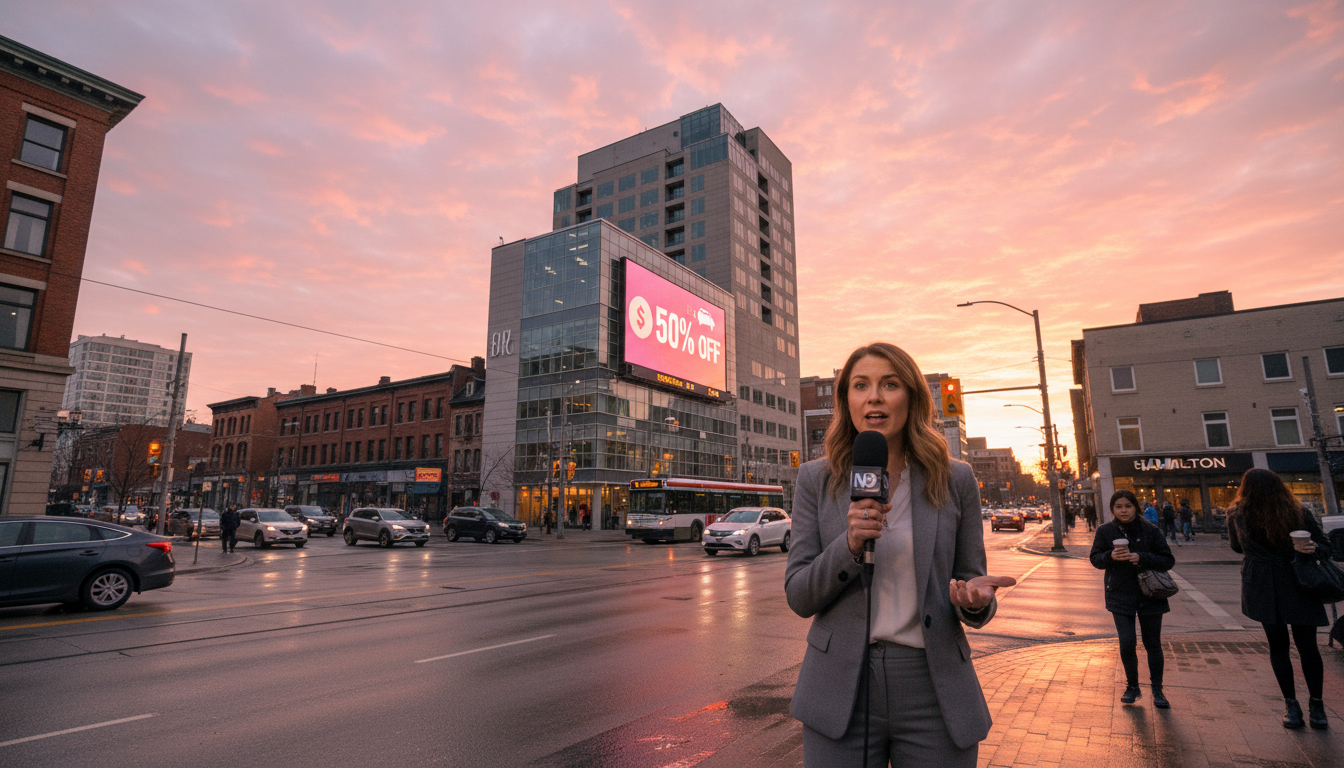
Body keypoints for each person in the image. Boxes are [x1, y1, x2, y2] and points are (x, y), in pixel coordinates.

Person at [785, 343, 1016, 766]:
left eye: (889, 384)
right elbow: (799, 594)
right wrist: (849, 545)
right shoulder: (815, 479)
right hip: (840, 689)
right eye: (860, 385)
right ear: (847, 401)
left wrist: (977, 603)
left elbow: (971, 581)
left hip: (934, 686)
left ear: (910, 397)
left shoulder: (956, 478)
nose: (874, 396)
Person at [1227, 468, 1332, 730]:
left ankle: (1291, 706)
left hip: (1261, 583)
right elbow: (1326, 546)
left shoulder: (1236, 514)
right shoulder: (1297, 511)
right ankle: (1317, 706)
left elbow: (1236, 547)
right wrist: (1312, 548)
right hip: (1299, 580)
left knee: (1278, 647)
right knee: (1308, 646)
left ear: (1245, 488)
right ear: (1279, 486)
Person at [1089, 489, 1175, 708]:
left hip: (1150, 594)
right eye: (1119, 507)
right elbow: (1095, 559)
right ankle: (1132, 687)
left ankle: (1158, 690)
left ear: (1136, 507)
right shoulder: (1105, 531)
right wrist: (1110, 556)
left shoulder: (1150, 530)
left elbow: (1167, 560)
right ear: (1112, 510)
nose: (1124, 510)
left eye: (1128, 506)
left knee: (1152, 644)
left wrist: (1141, 557)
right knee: (1127, 642)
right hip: (1119, 594)